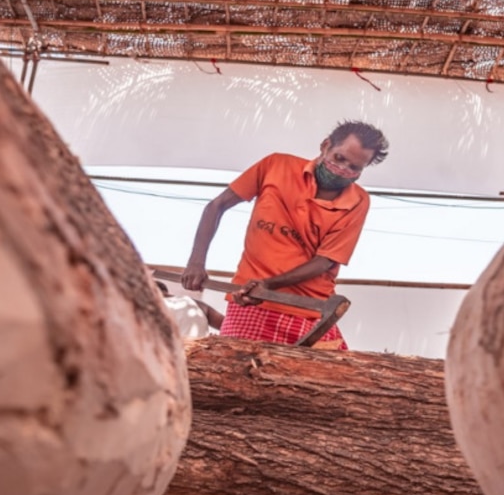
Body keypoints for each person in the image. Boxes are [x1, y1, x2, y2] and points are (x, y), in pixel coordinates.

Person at [182, 120, 388, 350]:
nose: (343, 169)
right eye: (339, 158)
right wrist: (196, 262)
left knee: (340, 379)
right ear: (325, 145)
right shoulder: (275, 165)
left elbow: (324, 261)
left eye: (354, 168)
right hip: (251, 304)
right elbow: (216, 206)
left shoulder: (358, 201)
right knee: (237, 375)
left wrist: (268, 285)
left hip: (312, 310)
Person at [156, 281, 224, 339]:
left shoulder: (153, 306)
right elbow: (224, 323)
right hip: (201, 350)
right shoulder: (195, 303)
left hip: (173, 351)